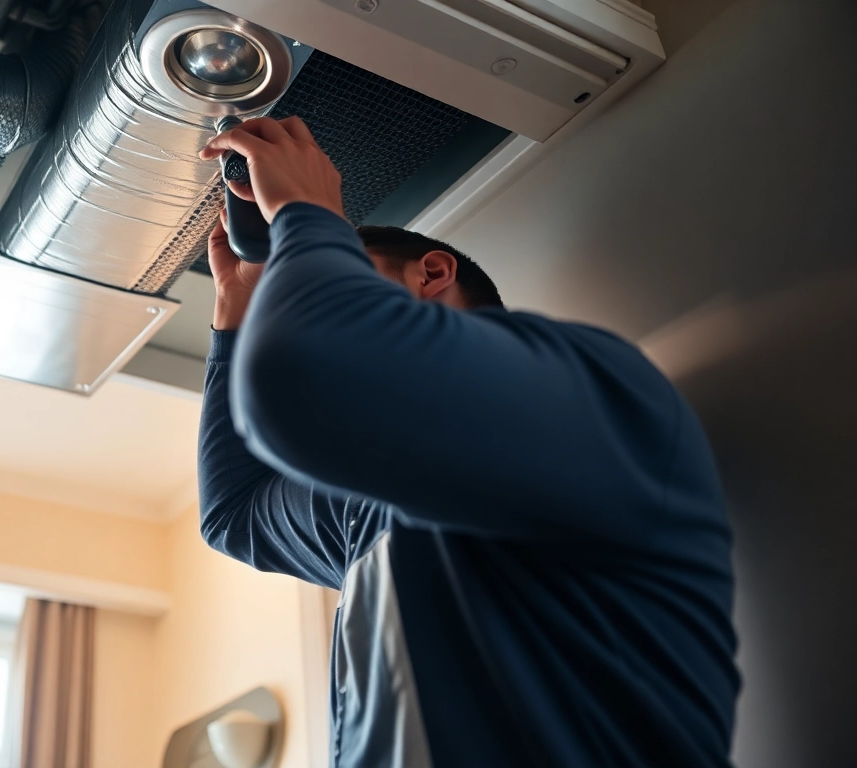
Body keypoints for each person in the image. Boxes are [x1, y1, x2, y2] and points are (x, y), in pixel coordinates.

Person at [196, 116, 740, 767]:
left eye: (342, 276)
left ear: (430, 273)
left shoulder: (588, 387)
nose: (295, 307)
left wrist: (310, 217)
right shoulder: (369, 505)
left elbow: (303, 377)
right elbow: (234, 514)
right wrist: (235, 313)